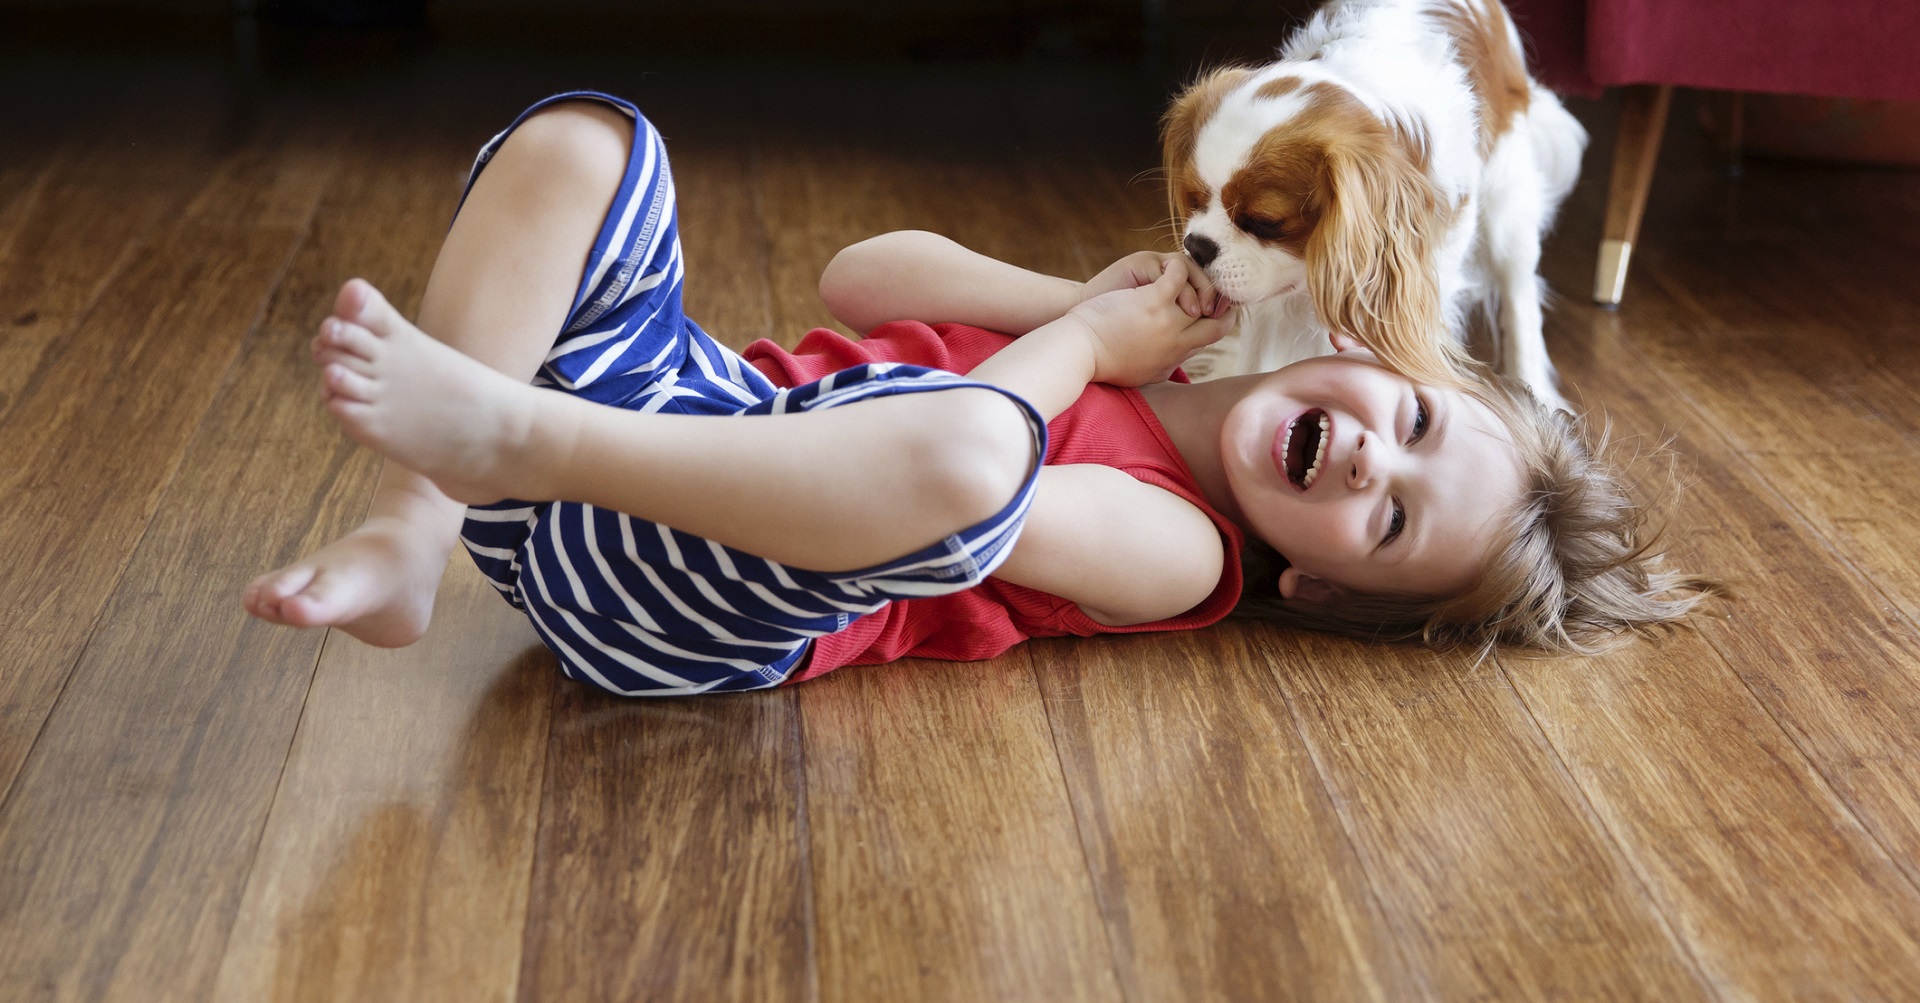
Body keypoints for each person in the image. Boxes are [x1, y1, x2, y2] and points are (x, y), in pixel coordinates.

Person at [243, 92, 1714, 696]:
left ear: (1321, 591)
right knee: (586, 142)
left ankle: (511, 442)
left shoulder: (1185, 555)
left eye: (1387, 526)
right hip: (675, 417)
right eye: (1416, 426)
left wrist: (1081, 359)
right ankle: (416, 529)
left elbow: (966, 466)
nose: (1366, 466)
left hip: (704, 597)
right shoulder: (1126, 338)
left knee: (964, 463)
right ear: (1388, 366)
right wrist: (1071, 306)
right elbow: (858, 280)